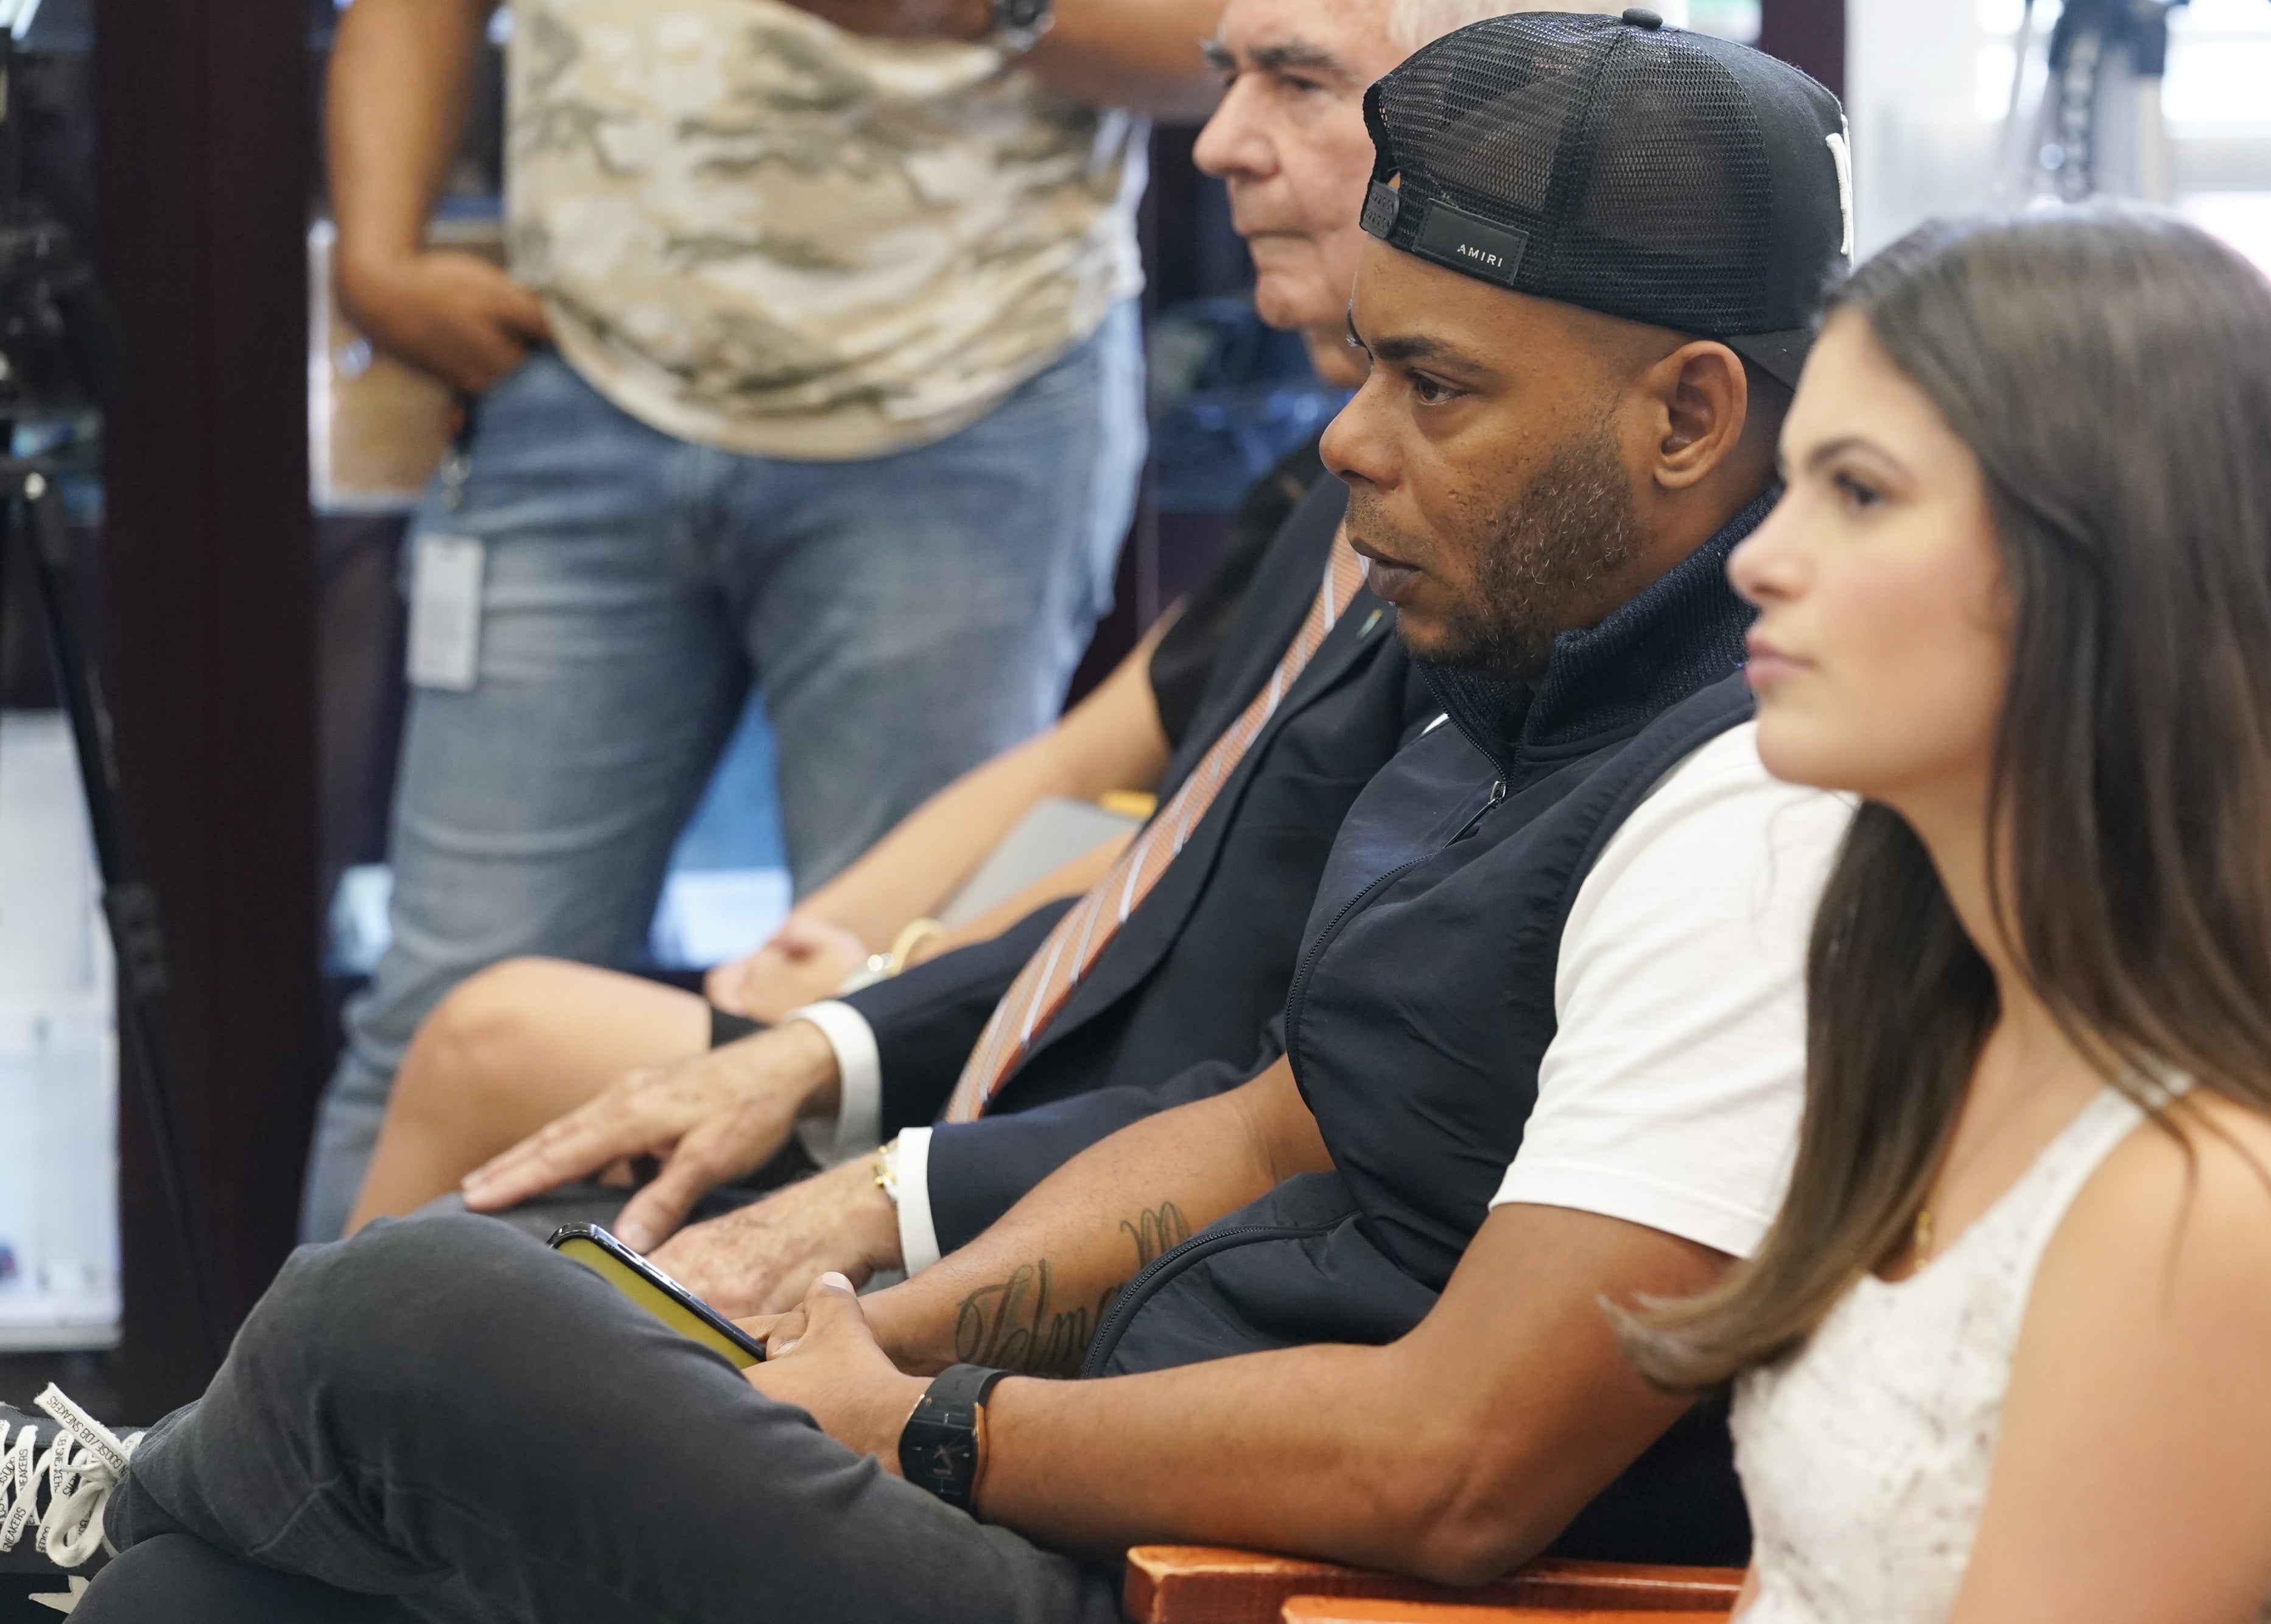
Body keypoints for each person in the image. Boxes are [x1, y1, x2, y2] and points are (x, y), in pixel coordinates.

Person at [4, 17, 1852, 1619]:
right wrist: (857, 1338)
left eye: (1432, 384)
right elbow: (1259, 1127)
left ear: (1687, 417)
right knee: (203, 1588)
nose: (1354, 438)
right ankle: (142, 1518)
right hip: (1084, 1480)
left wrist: (944, 1425)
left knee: (400, 1314)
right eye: (1366, 363)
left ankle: (130, 1480)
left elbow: (1460, 1463)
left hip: (1181, 1580)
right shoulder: (1505, 673)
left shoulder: (1749, 815)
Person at [339, 0, 1616, 1324]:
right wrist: (846, 968)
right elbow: (1153, 816)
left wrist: (880, 1109)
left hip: (1112, 1161)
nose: (1211, 144)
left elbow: (1286, 1089)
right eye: (1225, 78)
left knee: (491, 1196)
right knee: (469, 1047)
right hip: (1012, 1042)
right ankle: (223, 1472)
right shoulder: (1311, 489)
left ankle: (250, 1470)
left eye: (1295, 84)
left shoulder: (1505, 551)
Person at [1609, 208, 2271, 1622]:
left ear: (2104, 560)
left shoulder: (2214, 1198)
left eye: (1857, 492)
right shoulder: (1937, 1010)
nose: (1758, 555)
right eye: (1792, 479)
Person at [297, 0, 1229, 1243]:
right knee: (441, 1017)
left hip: (966, 399)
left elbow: (1233, 42)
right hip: (574, 373)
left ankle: (806, 1434)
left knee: (893, 1029)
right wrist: (376, 255)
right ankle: (272, 1439)